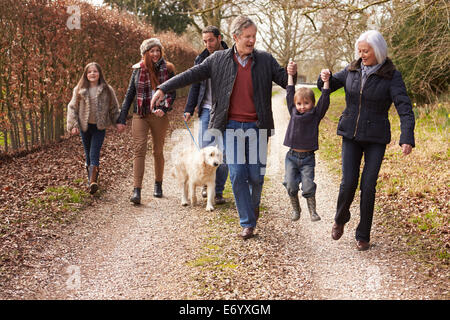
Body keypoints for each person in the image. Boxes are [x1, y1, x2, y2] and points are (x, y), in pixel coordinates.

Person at [151, 16, 297, 239]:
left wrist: (291, 74)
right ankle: (247, 222)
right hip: (231, 127)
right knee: (238, 174)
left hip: (257, 127)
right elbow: (190, 75)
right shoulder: (217, 60)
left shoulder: (265, 60)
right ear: (236, 37)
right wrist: (163, 88)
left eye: (254, 37)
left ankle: (252, 205)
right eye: (247, 37)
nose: (251, 41)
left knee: (256, 176)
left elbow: (285, 81)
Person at [317, 30, 415, 251]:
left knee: (368, 186)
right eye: (359, 51)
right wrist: (324, 78)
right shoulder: (352, 69)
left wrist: (406, 136)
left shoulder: (391, 75)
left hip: (376, 138)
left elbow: (404, 107)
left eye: (366, 51)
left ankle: (363, 234)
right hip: (351, 133)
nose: (361, 55)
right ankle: (340, 218)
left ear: (377, 51)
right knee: (348, 181)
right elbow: (329, 85)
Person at [116, 38, 176, 204]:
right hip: (140, 114)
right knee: (139, 149)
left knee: (157, 150)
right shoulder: (137, 70)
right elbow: (130, 94)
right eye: (152, 51)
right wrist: (122, 117)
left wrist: (164, 109)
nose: (155, 54)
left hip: (159, 115)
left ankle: (158, 183)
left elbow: (172, 93)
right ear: (145, 53)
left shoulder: (168, 69)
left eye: (158, 50)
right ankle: (137, 190)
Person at [183, 26, 229, 205]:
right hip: (205, 110)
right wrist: (189, 108)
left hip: (225, 112)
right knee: (205, 152)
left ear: (219, 38)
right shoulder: (201, 58)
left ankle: (217, 191)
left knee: (222, 154)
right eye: (205, 41)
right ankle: (205, 184)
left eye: (211, 40)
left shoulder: (230, 57)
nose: (208, 44)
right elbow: (195, 84)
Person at [283, 63, 331, 222]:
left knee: (308, 186)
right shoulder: (293, 112)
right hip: (291, 157)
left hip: (307, 159)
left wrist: (326, 81)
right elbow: (290, 92)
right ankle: (296, 209)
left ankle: (313, 211)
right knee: (291, 185)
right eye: (299, 104)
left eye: (306, 103)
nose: (302, 107)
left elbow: (324, 99)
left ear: (312, 104)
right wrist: (290, 74)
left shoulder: (315, 115)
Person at [67, 62, 120, 194]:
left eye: (95, 71)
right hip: (84, 127)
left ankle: (92, 182)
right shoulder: (79, 89)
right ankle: (91, 179)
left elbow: (114, 108)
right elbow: (72, 107)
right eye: (89, 72)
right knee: (88, 153)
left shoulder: (107, 89)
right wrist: (73, 125)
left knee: (94, 152)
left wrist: (118, 122)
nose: (92, 74)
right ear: (86, 74)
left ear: (99, 73)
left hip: (99, 127)